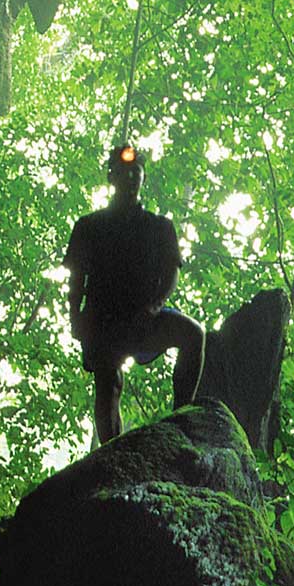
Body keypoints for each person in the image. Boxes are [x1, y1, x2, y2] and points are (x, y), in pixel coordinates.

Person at [62, 144, 206, 445]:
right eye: (122, 171)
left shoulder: (159, 227)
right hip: (104, 322)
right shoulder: (90, 226)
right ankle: (111, 451)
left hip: (144, 317)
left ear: (143, 178)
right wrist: (75, 318)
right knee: (108, 383)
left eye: (135, 171)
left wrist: (154, 306)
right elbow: (76, 278)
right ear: (110, 177)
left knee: (193, 335)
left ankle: (180, 419)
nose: (129, 177)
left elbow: (171, 274)